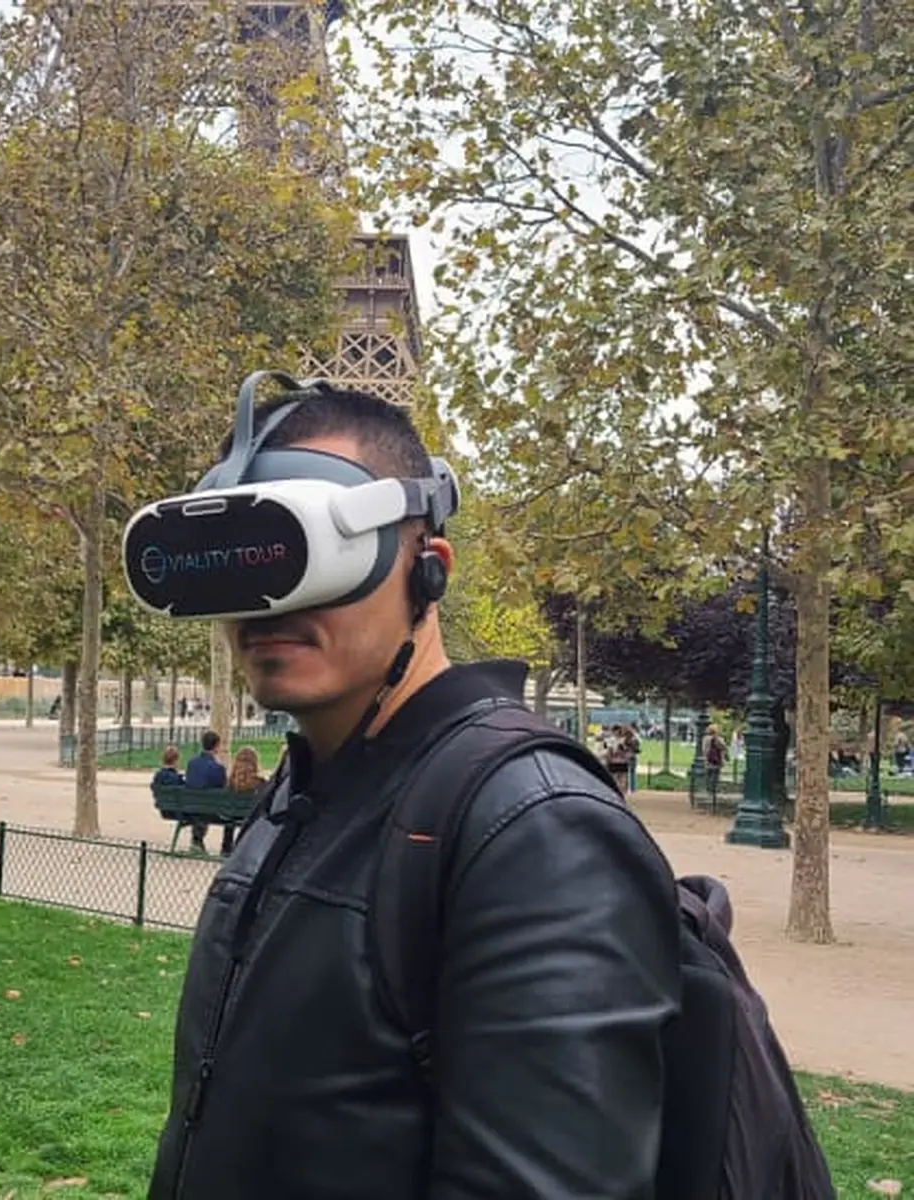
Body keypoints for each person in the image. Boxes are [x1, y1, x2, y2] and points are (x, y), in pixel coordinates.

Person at [140, 379, 680, 1198]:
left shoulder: (538, 831)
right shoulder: (303, 789)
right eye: (238, 563)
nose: (268, 604)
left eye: (303, 551)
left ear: (429, 570)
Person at [184, 730, 228, 854]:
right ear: (216, 746)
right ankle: (226, 847)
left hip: (189, 806)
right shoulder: (217, 768)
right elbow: (222, 787)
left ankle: (196, 840)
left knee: (201, 803)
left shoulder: (191, 763)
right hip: (210, 809)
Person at [704, 723, 727, 806]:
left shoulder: (705, 739)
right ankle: (713, 792)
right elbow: (724, 748)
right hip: (716, 761)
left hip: (708, 761)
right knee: (715, 777)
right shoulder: (718, 739)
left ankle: (709, 792)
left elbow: (705, 751)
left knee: (708, 776)